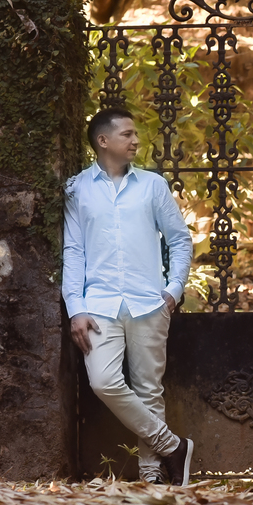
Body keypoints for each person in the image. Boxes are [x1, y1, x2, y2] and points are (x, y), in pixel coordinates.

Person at [62, 108, 194, 485]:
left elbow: (180, 240)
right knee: (103, 381)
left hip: (149, 302)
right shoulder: (77, 189)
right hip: (98, 305)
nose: (136, 140)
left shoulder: (153, 186)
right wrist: (76, 308)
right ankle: (173, 446)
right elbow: (73, 251)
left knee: (149, 389)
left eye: (135, 134)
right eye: (127, 134)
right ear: (103, 141)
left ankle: (152, 475)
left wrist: (173, 290)